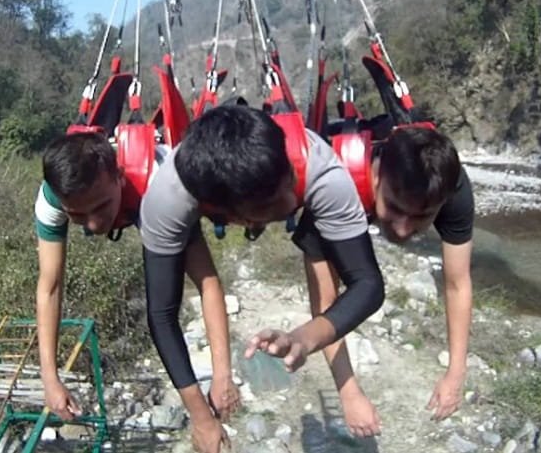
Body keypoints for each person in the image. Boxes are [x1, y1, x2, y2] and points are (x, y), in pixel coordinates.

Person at [139, 105, 385, 453]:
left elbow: (368, 285)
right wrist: (200, 415)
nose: (291, 197)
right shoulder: (167, 199)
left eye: (288, 183)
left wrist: (304, 337)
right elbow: (162, 314)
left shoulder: (320, 172)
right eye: (274, 203)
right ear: (235, 219)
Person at [33, 131, 241, 433]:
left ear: (118, 176)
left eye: (101, 207)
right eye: (77, 215)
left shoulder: (164, 187)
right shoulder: (51, 198)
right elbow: (49, 287)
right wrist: (50, 378)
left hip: (153, 194)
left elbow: (206, 282)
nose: (93, 224)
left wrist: (222, 374)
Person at [297, 123, 474, 424]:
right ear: (376, 176)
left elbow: (457, 284)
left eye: (421, 217)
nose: (403, 229)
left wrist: (455, 374)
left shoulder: (452, 187)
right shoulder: (332, 186)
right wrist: (349, 392)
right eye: (394, 207)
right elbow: (327, 305)